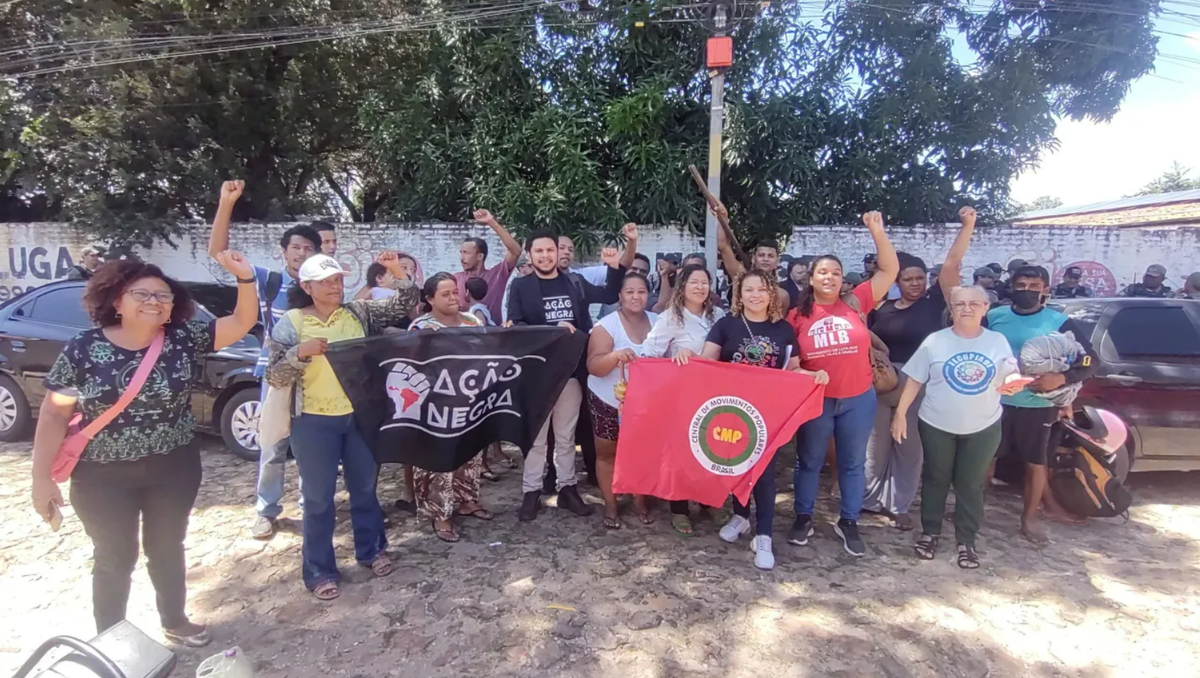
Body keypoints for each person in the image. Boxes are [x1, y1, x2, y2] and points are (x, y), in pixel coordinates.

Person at [31, 252, 259, 644]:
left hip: (173, 467)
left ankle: (174, 620)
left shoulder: (182, 339)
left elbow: (242, 322)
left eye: (164, 296)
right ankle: (112, 639)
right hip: (102, 476)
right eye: (142, 293)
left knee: (168, 546)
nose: (154, 301)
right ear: (117, 300)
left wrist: (245, 279)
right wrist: (41, 479)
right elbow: (53, 416)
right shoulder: (83, 349)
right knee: (115, 557)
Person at [264, 252, 418, 600]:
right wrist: (298, 354)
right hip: (313, 421)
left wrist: (395, 271)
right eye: (327, 281)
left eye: (338, 279)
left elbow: (405, 304)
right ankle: (319, 570)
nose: (336, 286)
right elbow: (273, 375)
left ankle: (372, 550)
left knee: (365, 488)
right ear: (307, 286)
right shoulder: (291, 323)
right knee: (318, 499)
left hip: (358, 416)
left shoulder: (357, 312)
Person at [677, 269, 827, 570]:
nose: (755, 295)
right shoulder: (726, 325)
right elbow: (708, 361)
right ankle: (741, 516)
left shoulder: (783, 329)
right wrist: (685, 354)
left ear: (771, 293)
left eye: (761, 289)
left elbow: (793, 369)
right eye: (748, 290)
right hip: (732, 409)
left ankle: (764, 534)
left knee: (765, 471)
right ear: (739, 294)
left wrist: (814, 375)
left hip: (768, 412)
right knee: (736, 462)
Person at [208, 180, 323, 539]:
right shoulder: (267, 281)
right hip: (275, 376)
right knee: (272, 448)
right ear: (283, 252)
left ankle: (311, 508)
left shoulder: (324, 284)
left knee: (310, 449)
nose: (301, 254)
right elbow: (219, 253)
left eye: (307, 248)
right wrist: (226, 203)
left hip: (316, 377)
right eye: (295, 248)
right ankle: (267, 510)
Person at [787, 210, 900, 557]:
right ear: (811, 278)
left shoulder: (857, 302)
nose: (830, 277)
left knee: (852, 463)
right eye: (823, 272)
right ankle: (803, 516)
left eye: (836, 273)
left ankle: (848, 520)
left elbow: (889, 270)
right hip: (817, 400)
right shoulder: (796, 316)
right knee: (809, 461)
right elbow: (790, 364)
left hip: (858, 398)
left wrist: (877, 232)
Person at [891, 285, 1024, 568]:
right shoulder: (935, 341)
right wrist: (901, 413)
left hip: (983, 425)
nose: (967, 309)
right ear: (950, 309)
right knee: (936, 478)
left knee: (971, 484)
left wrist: (1013, 381)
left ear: (986, 307)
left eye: (974, 304)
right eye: (960, 304)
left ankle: (966, 540)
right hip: (936, 422)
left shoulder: (996, 340)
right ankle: (930, 532)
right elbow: (915, 379)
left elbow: (1010, 370)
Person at [864, 206, 977, 530]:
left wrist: (967, 226)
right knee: (875, 444)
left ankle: (899, 505)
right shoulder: (882, 309)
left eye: (919, 278)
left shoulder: (936, 303)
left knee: (909, 446)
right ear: (897, 281)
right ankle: (869, 501)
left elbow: (952, 264)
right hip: (882, 382)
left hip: (921, 385)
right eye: (907, 279)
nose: (914, 284)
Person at [506, 231, 624, 521]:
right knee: (535, 436)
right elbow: (515, 325)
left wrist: (613, 267)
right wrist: (553, 329)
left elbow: (610, 295)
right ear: (530, 255)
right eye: (539, 251)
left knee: (566, 435)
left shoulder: (574, 282)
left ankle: (567, 489)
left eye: (550, 250)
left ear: (558, 253)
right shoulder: (521, 287)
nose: (545, 256)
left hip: (571, 369)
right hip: (536, 373)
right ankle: (531, 491)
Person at [986, 264, 1099, 545]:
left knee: (1035, 463)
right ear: (1011, 287)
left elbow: (1089, 360)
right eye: (1021, 285)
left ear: (1045, 290)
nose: (1027, 291)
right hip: (992, 400)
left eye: (1034, 287)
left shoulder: (1058, 321)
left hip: (1037, 404)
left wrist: (1062, 377)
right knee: (985, 460)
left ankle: (1029, 519)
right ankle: (975, 512)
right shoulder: (994, 316)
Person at [409, 272, 494, 541]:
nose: (453, 297)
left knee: (470, 455)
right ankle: (440, 515)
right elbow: (412, 365)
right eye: (445, 294)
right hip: (435, 407)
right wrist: (427, 342)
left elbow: (487, 354)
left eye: (455, 292)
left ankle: (468, 501)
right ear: (430, 299)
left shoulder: (473, 321)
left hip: (469, 401)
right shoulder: (420, 327)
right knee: (438, 461)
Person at [642, 264, 726, 535]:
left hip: (714, 395)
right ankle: (679, 509)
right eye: (694, 282)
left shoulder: (719, 316)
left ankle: (706, 499)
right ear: (683, 287)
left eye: (705, 282)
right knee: (680, 452)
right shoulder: (670, 318)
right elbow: (648, 354)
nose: (700, 287)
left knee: (710, 446)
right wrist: (676, 360)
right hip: (680, 396)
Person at [586, 272, 658, 528]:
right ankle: (611, 505)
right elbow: (594, 366)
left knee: (640, 453)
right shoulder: (607, 325)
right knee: (607, 454)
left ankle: (639, 501)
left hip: (645, 405)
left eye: (641, 291)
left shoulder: (659, 323)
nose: (636, 297)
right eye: (630, 292)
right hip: (607, 400)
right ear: (620, 296)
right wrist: (615, 356)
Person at [455, 208, 524, 323]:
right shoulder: (455, 279)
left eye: (466, 253)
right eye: (461, 253)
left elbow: (516, 251)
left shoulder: (497, 275)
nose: (462, 258)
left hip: (493, 337)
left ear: (480, 256)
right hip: (462, 338)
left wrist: (491, 222)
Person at [558, 224, 640, 284]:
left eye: (570, 250)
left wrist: (632, 241)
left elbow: (621, 269)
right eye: (561, 248)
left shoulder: (582, 277)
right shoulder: (544, 281)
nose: (567, 252)